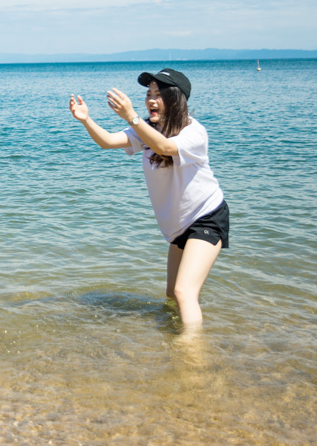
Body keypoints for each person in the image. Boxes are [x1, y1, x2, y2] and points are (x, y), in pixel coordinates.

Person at [69, 68, 228, 329]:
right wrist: (86, 120)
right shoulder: (147, 130)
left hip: (206, 217)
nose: (151, 100)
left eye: (158, 94)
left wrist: (131, 117)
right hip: (180, 226)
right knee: (171, 295)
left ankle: (192, 354)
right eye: (148, 94)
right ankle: (173, 335)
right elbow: (108, 141)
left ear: (176, 99)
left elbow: (165, 147)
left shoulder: (194, 131)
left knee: (184, 292)